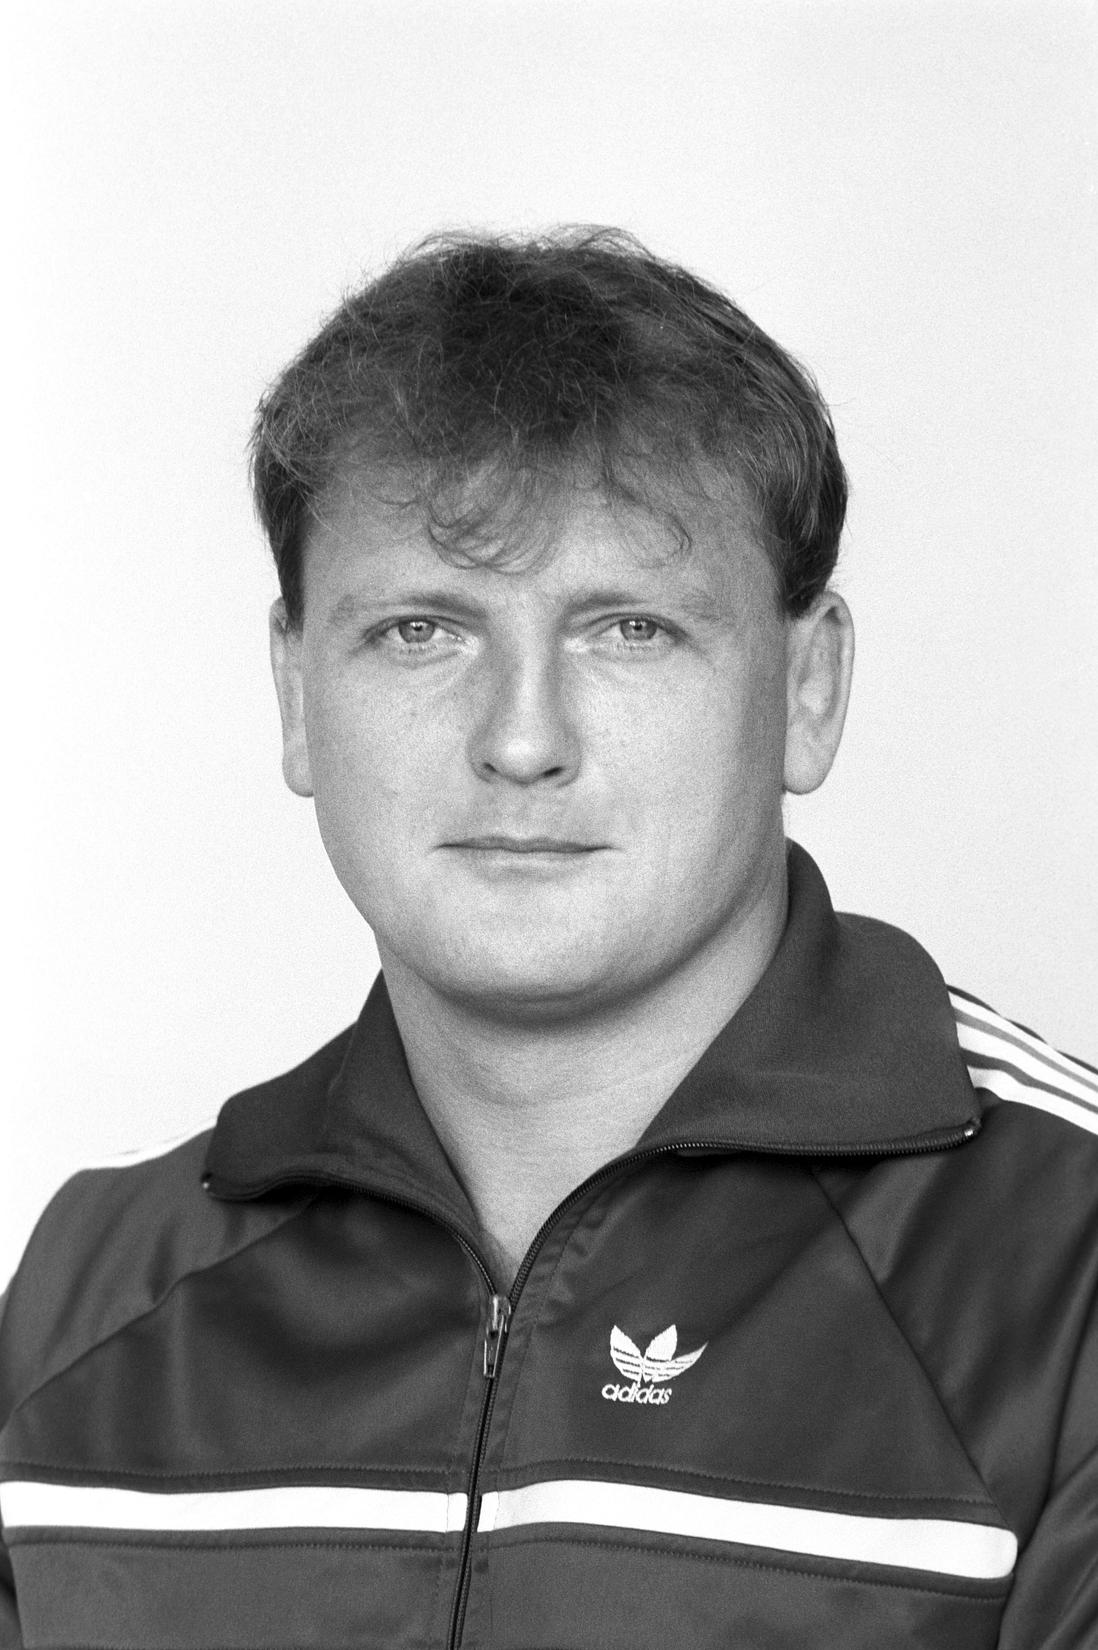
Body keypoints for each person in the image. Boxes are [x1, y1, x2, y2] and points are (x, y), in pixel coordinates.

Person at [0, 229, 1094, 1650]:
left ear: (808, 688)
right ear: (296, 693)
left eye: (628, 629)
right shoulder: (93, 1292)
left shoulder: (1064, 1263)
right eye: (421, 631)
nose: (521, 740)